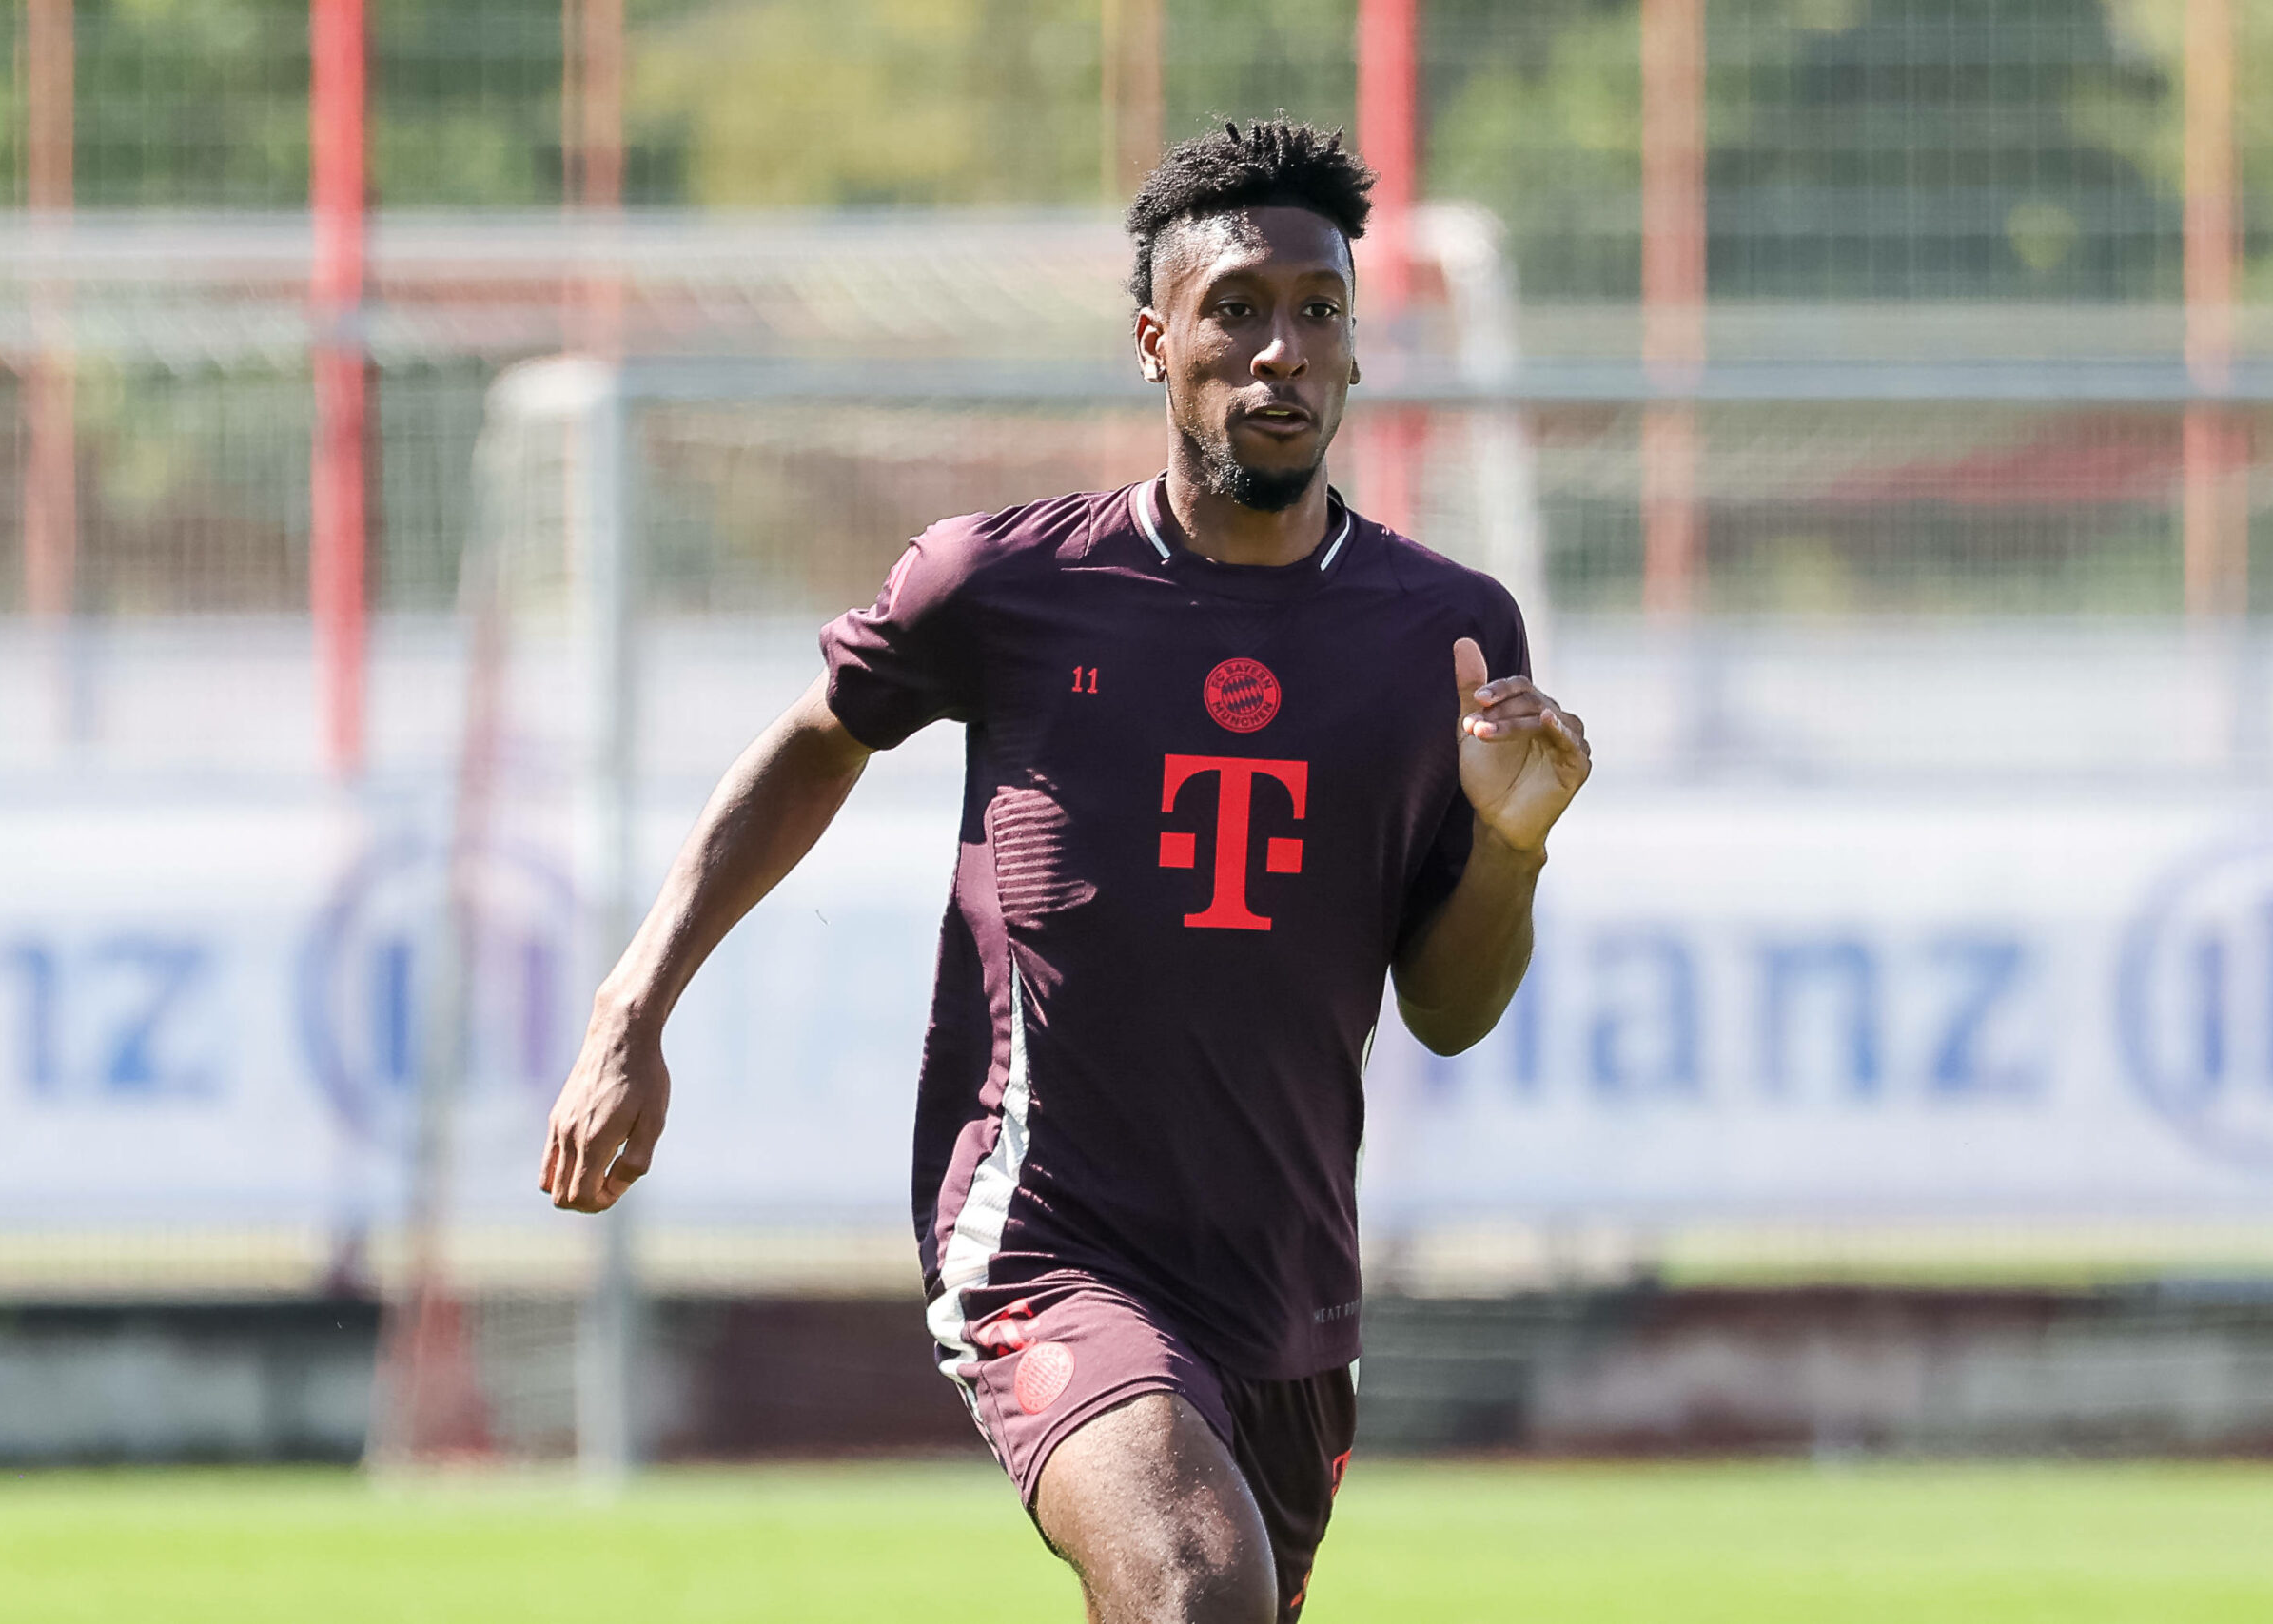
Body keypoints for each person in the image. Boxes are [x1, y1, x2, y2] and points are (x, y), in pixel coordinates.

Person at [539, 118, 1592, 1624]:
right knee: (1190, 1585)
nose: (1281, 350)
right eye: (1237, 310)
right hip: (1046, 1234)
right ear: (1156, 342)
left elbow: (1451, 1007)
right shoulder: (1007, 586)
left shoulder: (1449, 636)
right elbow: (815, 743)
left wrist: (1508, 845)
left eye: (1319, 312)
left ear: (1358, 355)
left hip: (1289, 1277)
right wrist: (629, 1014)